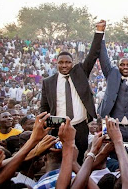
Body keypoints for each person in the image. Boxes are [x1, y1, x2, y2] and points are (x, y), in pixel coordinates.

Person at [40, 20, 105, 164]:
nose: (64, 65)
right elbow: (43, 108)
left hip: (80, 126)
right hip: (58, 127)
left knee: (80, 160)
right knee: (59, 161)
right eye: (61, 63)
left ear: (72, 63)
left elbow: (93, 54)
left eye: (67, 62)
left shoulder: (80, 73)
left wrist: (99, 31)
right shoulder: (48, 82)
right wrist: (46, 125)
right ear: (56, 64)